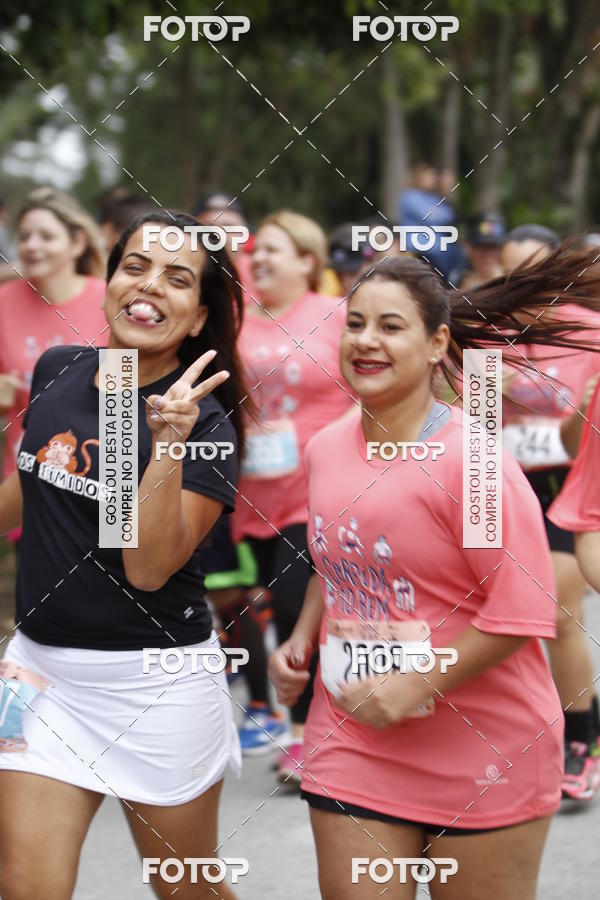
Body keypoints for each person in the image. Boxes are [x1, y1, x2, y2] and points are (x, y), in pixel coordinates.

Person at [269, 249, 600, 899]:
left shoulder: (471, 462)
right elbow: (339, 560)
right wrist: (302, 640)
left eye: (391, 327)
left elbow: (522, 610)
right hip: (354, 739)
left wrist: (413, 681)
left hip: (483, 750)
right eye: (356, 323)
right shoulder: (326, 448)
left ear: (436, 341)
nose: (367, 341)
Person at [0, 210, 250, 900]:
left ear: (199, 318)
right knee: (24, 887)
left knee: (184, 890)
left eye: (177, 279)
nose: (149, 287)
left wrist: (167, 443)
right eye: (135, 267)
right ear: (108, 283)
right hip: (41, 674)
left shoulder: (208, 428)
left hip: (155, 687)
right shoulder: (58, 368)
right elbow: (29, 483)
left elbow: (143, 567)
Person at [231, 210, 356, 777]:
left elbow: (372, 382)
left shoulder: (336, 316)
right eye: (255, 253)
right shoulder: (233, 319)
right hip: (241, 494)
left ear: (308, 260)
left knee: (292, 605)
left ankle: (306, 732)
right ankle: (285, 711)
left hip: (314, 491)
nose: (259, 260)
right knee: (241, 610)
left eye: (273, 251)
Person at [500, 228, 600, 801]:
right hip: (503, 488)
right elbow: (477, 432)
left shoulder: (589, 335)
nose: (526, 288)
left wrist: (578, 416)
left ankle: (579, 740)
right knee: (506, 616)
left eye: (535, 274)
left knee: (562, 610)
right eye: (514, 276)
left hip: (570, 485)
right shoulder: (489, 338)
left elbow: (578, 439)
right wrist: (490, 391)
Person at [0, 187, 107, 545]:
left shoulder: (109, 298)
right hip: (27, 475)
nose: (32, 245)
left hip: (100, 476)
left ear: (77, 243)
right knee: (38, 595)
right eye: (25, 236)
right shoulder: (4, 301)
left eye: (46, 235)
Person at [548, 380, 600, 592]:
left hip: (564, 483)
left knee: (562, 611)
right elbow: (571, 448)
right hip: (491, 487)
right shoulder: (486, 352)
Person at [193, 192, 254, 295]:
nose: (219, 235)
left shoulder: (260, 275)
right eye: (209, 227)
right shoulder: (179, 271)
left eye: (228, 227)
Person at [455, 212, 506, 290]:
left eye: (493, 248)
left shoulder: (511, 282)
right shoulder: (457, 280)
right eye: (481, 248)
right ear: (468, 246)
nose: (488, 255)